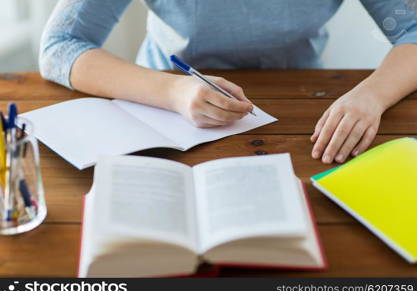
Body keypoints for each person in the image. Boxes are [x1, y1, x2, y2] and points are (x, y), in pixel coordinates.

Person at [39, 0, 417, 164]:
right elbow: (60, 47)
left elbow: (411, 29)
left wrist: (372, 95)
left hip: (304, 115)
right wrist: (173, 90)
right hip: (161, 114)